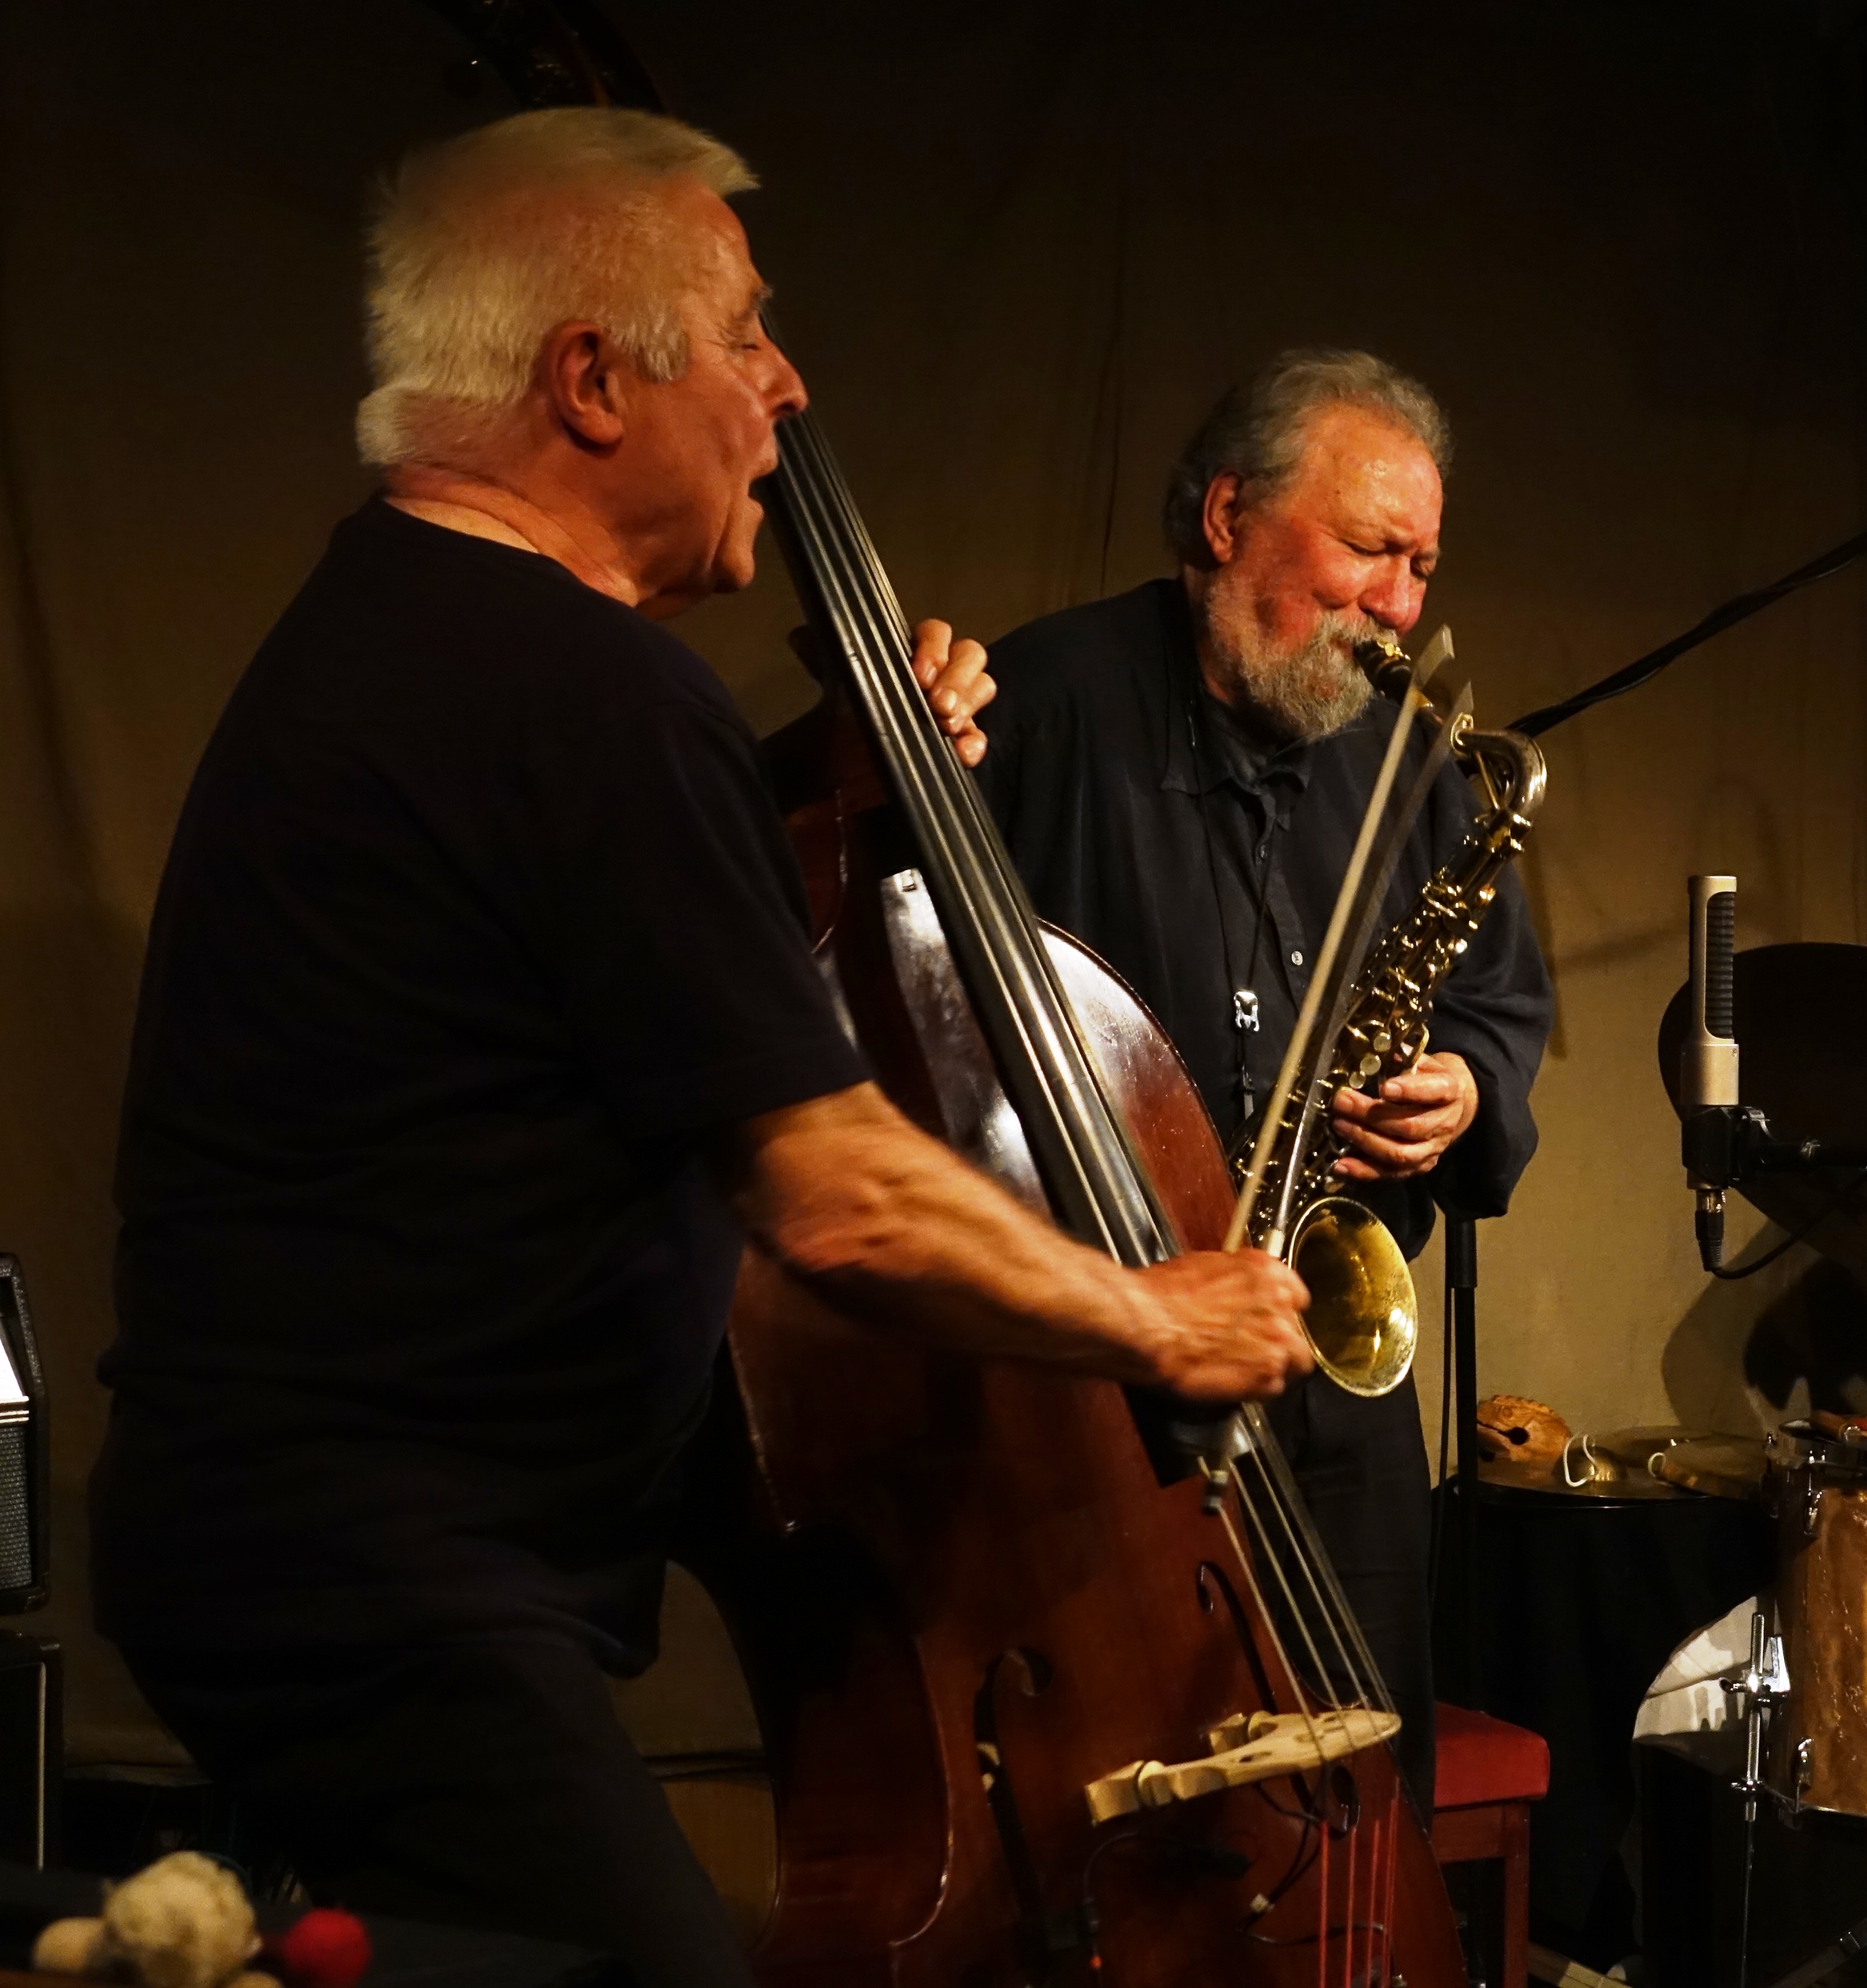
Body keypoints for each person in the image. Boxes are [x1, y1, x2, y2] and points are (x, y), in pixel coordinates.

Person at [94, 108, 1310, 1988]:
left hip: (275, 1554)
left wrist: (831, 787)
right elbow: (828, 1190)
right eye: (744, 333)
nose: (787, 385)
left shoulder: (406, 628)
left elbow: (575, 974)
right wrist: (1164, 1314)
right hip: (393, 1586)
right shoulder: (582, 688)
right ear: (591, 379)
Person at [973, 349, 1555, 1804]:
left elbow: (1494, 1002)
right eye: (1372, 551)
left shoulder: (1420, 768)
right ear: (1227, 516)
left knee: (1357, 1786)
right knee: (1127, 1792)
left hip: (1332, 1359)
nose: (1403, 606)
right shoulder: (1043, 705)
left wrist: (1467, 1091)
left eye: (1423, 567)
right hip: (1107, 1359)